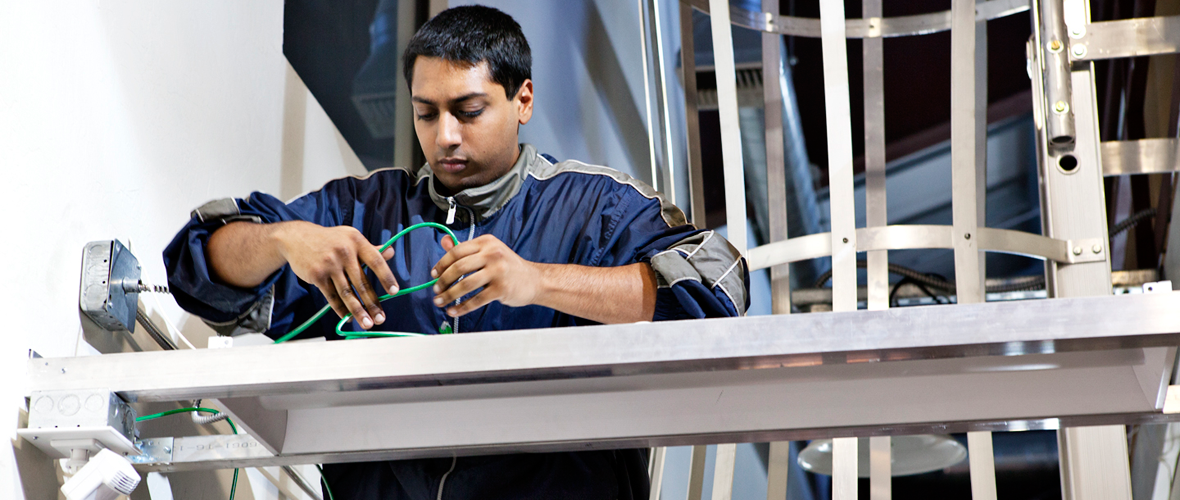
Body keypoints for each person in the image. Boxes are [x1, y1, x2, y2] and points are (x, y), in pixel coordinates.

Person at [164, 5, 748, 499]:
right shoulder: (363, 211)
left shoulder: (595, 207)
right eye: (425, 113)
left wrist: (535, 282)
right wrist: (280, 239)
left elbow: (718, 286)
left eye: (468, 112)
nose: (444, 135)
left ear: (522, 100)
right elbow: (197, 264)